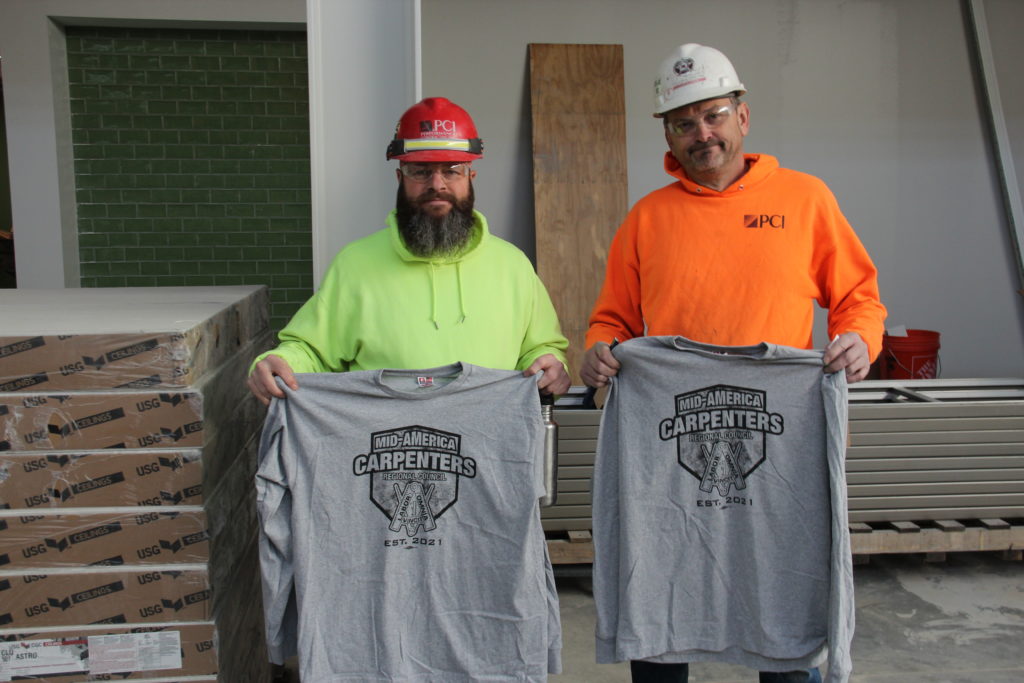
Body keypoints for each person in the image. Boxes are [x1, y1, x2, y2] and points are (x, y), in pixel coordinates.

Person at [582, 44, 886, 683]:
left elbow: (859, 299)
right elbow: (613, 319)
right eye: (684, 123)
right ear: (666, 133)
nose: (703, 134)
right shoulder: (647, 219)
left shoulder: (806, 200)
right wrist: (600, 349)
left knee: (784, 596)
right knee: (661, 593)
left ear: (742, 116)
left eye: (714, 115)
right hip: (672, 454)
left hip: (782, 451)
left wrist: (860, 338)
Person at [248, 96, 570, 403]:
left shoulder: (512, 267)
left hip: (486, 450)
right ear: (399, 178)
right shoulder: (355, 265)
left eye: (451, 171)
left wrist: (552, 364)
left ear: (470, 176)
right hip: (384, 451)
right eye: (421, 171)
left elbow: (540, 350)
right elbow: (312, 351)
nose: (437, 184)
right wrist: (277, 361)